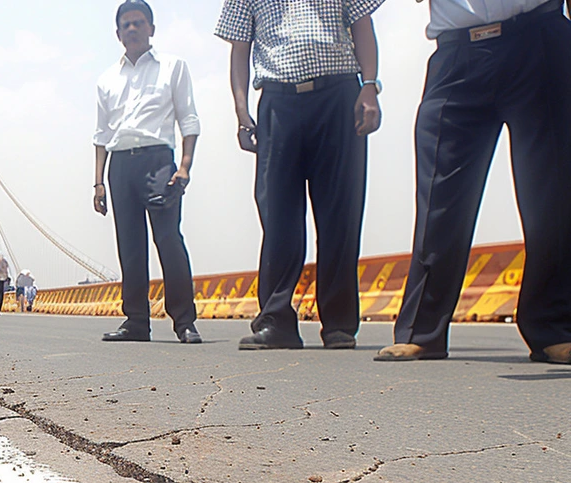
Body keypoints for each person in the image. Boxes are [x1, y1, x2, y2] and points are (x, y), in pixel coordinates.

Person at [376, 0, 571, 364]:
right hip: (457, 53)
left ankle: (555, 327)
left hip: (539, 38)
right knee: (440, 195)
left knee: (553, 192)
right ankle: (423, 331)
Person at [216, 0, 384, 350]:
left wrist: (369, 84)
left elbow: (362, 25)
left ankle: (339, 322)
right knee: (277, 215)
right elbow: (239, 49)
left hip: (338, 94)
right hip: (278, 101)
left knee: (340, 210)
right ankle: (276, 320)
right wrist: (241, 109)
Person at [95, 1, 202, 344]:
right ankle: (136, 320)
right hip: (120, 164)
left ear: (151, 28)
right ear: (117, 34)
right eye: (126, 25)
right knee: (130, 244)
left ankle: (184, 320)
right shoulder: (107, 79)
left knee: (168, 239)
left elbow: (189, 120)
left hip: (158, 160)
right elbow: (101, 136)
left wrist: (184, 166)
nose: (132, 29)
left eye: (139, 23)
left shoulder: (173, 68)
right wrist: (98, 182)